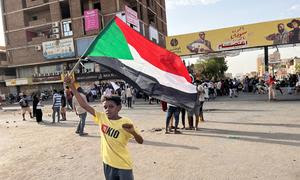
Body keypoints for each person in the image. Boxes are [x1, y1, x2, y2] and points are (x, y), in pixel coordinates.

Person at [64, 75, 143, 180]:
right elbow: (84, 105)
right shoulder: (102, 117)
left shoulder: (126, 122)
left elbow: (140, 141)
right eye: (105, 107)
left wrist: (133, 132)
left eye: (111, 107)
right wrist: (71, 86)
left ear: (119, 108)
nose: (107, 110)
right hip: (107, 163)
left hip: (123, 165)